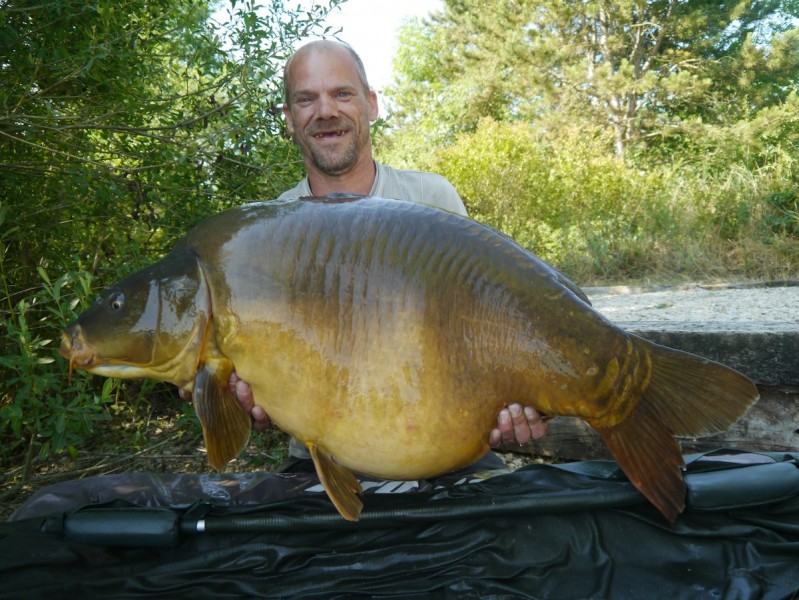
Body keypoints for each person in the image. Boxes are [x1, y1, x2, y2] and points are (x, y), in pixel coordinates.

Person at [212, 40, 548, 469]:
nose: (326, 111)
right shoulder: (263, 236)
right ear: (289, 119)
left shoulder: (430, 200)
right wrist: (237, 396)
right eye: (306, 99)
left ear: (371, 105)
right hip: (322, 456)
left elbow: (486, 327)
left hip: (438, 445)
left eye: (342, 93)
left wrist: (516, 401)